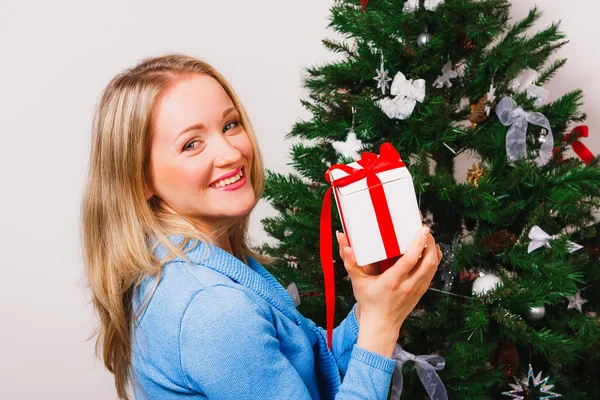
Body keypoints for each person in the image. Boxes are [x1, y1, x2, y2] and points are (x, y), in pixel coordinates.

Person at [80, 53, 442, 400]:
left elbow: (310, 372)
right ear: (140, 179)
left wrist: (370, 307)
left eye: (230, 125)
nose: (231, 153)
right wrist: (381, 326)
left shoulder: (200, 260)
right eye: (192, 144)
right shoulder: (212, 309)